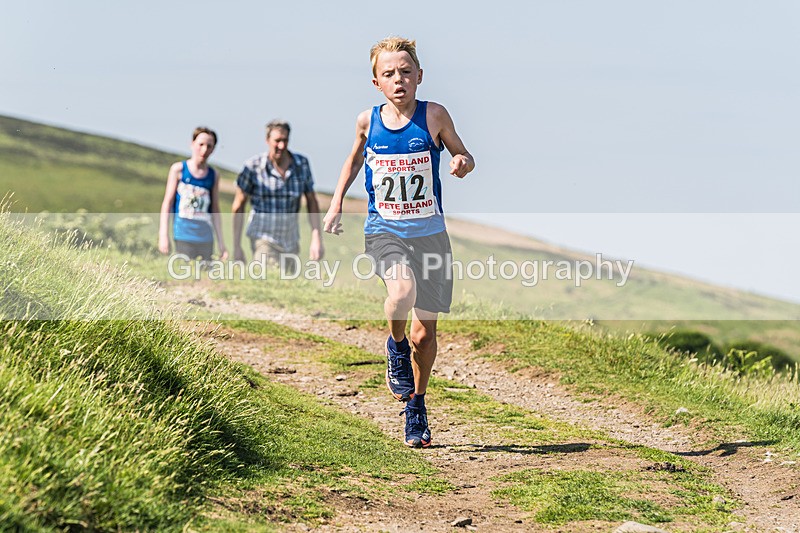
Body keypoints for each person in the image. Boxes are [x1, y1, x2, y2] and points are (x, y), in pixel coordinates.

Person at [323, 37, 475, 448]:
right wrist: (336, 203)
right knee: (401, 292)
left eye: (406, 72)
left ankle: (417, 405)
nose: (399, 79)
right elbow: (354, 160)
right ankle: (395, 345)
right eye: (389, 74)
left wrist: (461, 162)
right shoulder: (366, 121)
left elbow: (464, 155)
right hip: (384, 230)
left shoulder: (435, 116)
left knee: (426, 336)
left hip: (431, 235)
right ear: (377, 82)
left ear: (419, 76)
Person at [232, 120, 323, 271]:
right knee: (270, 278)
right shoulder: (253, 167)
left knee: (288, 286)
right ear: (267, 140)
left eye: (285, 140)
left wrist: (316, 238)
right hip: (263, 238)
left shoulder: (302, 164)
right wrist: (236, 246)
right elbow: (238, 206)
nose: (281, 145)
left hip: (291, 241)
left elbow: (312, 202)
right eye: (277, 141)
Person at [158, 126, 227, 261]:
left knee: (205, 277)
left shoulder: (214, 175)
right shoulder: (178, 170)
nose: (204, 149)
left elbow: (215, 210)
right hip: (183, 234)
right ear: (192, 144)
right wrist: (163, 235)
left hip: (206, 237)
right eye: (201, 144)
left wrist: (221, 243)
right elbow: (167, 203)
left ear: (213, 149)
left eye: (209, 146)